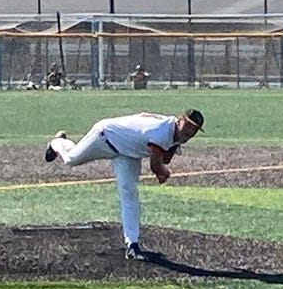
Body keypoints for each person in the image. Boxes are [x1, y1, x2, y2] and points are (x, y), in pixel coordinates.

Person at [42, 109, 204, 260]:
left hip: (128, 153)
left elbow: (145, 116)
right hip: (105, 137)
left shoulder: (170, 128)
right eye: (188, 125)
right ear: (180, 120)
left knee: (129, 193)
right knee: (71, 159)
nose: (190, 131)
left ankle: (132, 244)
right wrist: (163, 173)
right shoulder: (162, 131)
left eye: (194, 129)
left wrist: (169, 151)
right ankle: (57, 142)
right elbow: (156, 166)